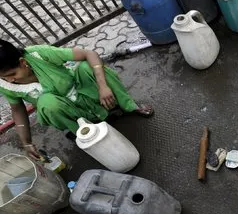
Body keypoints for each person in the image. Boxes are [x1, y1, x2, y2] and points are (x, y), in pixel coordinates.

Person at [0, 40, 153, 159]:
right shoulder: (6, 83)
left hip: (82, 92)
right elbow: (17, 109)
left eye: (12, 74)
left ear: (22, 62)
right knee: (47, 104)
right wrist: (26, 142)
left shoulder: (38, 54)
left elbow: (89, 54)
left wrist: (102, 87)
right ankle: (85, 132)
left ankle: (129, 106)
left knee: (87, 68)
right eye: (4, 78)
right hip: (68, 111)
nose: (10, 80)